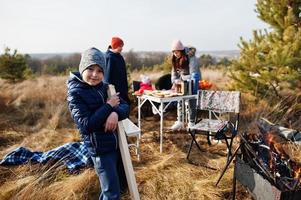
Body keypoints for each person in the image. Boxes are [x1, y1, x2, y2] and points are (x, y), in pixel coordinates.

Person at [67, 47, 129, 200]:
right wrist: (109, 106)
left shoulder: (105, 86)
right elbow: (87, 124)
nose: (95, 75)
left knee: (112, 186)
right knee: (112, 193)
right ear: (82, 68)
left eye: (100, 71)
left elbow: (125, 106)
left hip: (115, 145)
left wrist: (115, 113)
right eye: (90, 69)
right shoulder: (75, 93)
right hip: (101, 150)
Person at [170, 40, 199, 130]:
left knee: (191, 102)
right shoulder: (175, 59)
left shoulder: (191, 57)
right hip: (181, 83)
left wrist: (186, 81)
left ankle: (191, 122)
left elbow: (193, 72)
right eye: (174, 52)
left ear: (181, 51)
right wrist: (175, 82)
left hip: (192, 82)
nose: (175, 54)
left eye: (177, 52)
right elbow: (174, 73)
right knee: (180, 100)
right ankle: (180, 121)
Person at [105, 37, 131, 106]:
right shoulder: (109, 57)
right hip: (115, 91)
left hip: (122, 89)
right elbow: (107, 77)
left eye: (122, 46)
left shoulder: (119, 57)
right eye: (120, 46)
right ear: (115, 46)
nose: (122, 48)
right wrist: (111, 93)